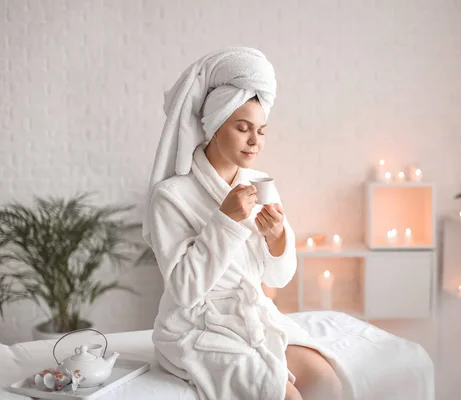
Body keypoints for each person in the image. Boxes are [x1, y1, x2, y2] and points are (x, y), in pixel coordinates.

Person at [142, 48, 344, 400]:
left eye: (261, 131)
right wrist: (225, 220)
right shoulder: (171, 196)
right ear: (214, 126)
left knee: (327, 382)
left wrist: (277, 238)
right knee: (287, 395)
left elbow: (277, 278)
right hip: (197, 326)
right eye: (242, 128)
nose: (255, 141)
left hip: (253, 314)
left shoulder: (259, 183)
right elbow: (185, 291)